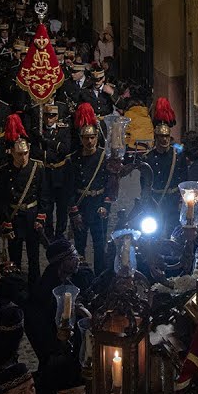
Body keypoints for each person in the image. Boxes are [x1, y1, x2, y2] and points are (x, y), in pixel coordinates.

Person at [68, 104, 116, 276]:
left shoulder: (104, 157)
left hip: (98, 206)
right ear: (81, 139)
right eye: (86, 138)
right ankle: (80, 276)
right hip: (81, 205)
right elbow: (70, 187)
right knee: (79, 246)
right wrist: (74, 212)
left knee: (99, 244)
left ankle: (99, 278)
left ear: (97, 137)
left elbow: (110, 185)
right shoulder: (74, 159)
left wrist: (106, 205)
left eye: (92, 137)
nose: (89, 141)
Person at [0, 137, 46, 285]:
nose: (23, 157)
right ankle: (16, 286)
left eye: (25, 153)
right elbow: (2, 199)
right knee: (15, 255)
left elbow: (44, 194)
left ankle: (35, 286)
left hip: (31, 215)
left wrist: (40, 217)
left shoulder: (37, 168)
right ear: (12, 152)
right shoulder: (4, 171)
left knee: (33, 256)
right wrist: (6, 221)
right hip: (15, 217)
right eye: (19, 154)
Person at [35, 103, 74, 236]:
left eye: (52, 116)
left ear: (57, 117)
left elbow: (65, 149)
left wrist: (48, 142)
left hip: (60, 172)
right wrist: (49, 152)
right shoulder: (38, 130)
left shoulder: (63, 130)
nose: (49, 119)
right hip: (46, 173)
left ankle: (60, 232)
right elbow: (35, 151)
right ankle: (48, 231)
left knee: (62, 205)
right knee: (47, 204)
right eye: (46, 116)